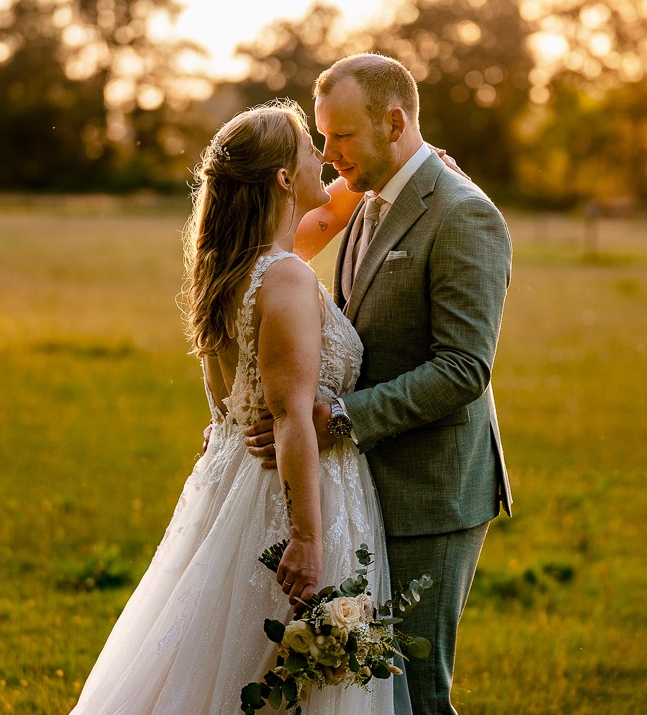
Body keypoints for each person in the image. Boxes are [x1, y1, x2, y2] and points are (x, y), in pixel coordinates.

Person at [68, 100, 406, 714]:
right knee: (278, 679)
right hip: (292, 495)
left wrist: (405, 167)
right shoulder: (287, 280)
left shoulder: (234, 267)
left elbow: (327, 216)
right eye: (311, 148)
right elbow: (290, 417)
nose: (325, 158)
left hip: (233, 483)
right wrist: (306, 537)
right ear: (283, 177)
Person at [250, 53, 514, 714]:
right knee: (370, 691)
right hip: (368, 487)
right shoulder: (368, 202)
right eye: (324, 135)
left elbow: (463, 368)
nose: (328, 151)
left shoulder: (463, 215)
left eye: (340, 135)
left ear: (393, 122)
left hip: (433, 492)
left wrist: (336, 417)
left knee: (419, 698)